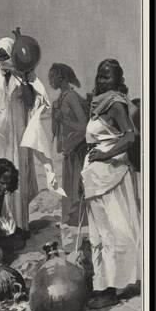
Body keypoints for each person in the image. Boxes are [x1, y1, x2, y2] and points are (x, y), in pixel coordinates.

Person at [81, 59, 140, 308]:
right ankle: (108, 284)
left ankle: (109, 290)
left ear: (117, 80)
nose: (101, 80)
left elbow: (130, 136)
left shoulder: (115, 103)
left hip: (110, 174)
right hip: (98, 176)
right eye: (100, 75)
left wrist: (104, 155)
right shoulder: (99, 102)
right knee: (101, 232)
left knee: (111, 232)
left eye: (107, 77)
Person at [0, 37, 38, 236]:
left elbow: (31, 101)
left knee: (16, 175)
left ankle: (20, 225)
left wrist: (22, 75)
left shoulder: (25, 74)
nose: (2, 58)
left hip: (17, 133)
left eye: (6, 54)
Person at [49, 63, 88, 226]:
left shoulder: (71, 97)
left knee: (77, 191)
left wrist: (62, 119)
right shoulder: (59, 100)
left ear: (61, 77)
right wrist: (54, 114)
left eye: (52, 76)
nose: (49, 80)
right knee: (70, 191)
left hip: (78, 150)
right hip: (68, 152)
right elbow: (55, 131)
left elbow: (84, 125)